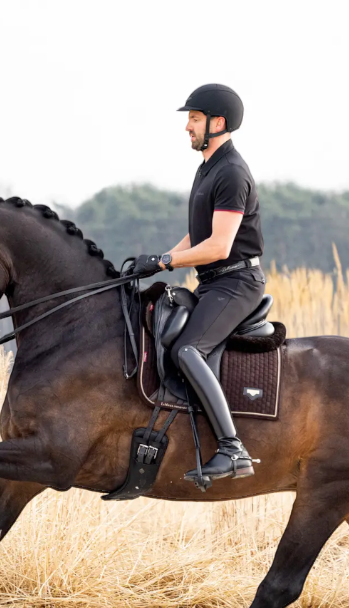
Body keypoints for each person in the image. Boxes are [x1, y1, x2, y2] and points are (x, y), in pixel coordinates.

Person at [133, 84, 265, 482]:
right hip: (213, 283)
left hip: (236, 283)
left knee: (188, 350)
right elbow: (199, 235)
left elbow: (219, 246)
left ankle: (232, 449)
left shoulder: (232, 172)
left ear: (217, 123)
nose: (187, 127)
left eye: (194, 119)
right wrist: (158, 263)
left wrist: (166, 260)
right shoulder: (208, 167)